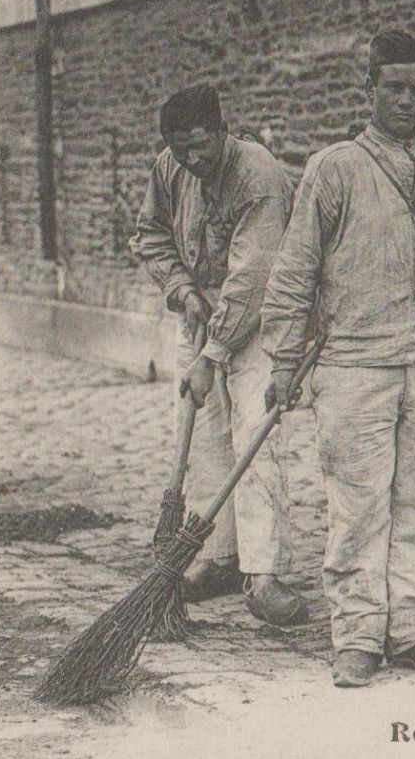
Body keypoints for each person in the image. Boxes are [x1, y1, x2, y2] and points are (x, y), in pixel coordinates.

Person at [261, 30, 415, 688]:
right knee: (359, 503)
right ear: (368, 91)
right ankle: (359, 631)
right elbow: (294, 268)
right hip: (355, 363)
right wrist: (282, 357)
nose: (405, 100)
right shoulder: (333, 168)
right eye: (391, 87)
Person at [130, 83, 304, 626]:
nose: (191, 159)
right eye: (180, 149)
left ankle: (263, 574)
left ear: (223, 131)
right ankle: (220, 557)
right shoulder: (169, 167)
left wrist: (212, 353)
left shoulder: (259, 176)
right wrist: (183, 291)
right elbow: (151, 234)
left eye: (200, 146)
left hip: (257, 325)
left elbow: (254, 279)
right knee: (207, 444)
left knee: (253, 440)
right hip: (199, 312)